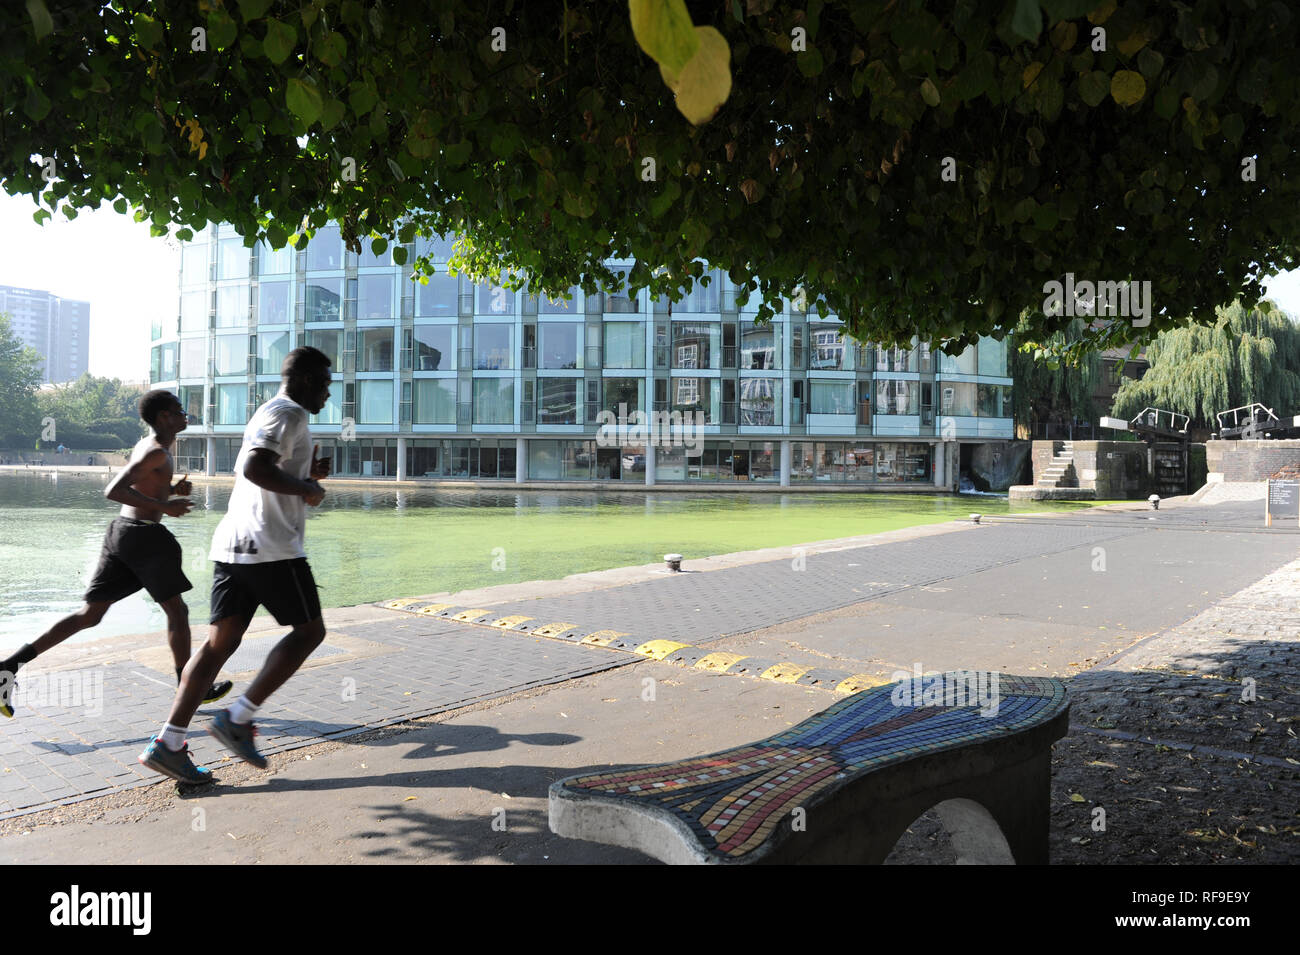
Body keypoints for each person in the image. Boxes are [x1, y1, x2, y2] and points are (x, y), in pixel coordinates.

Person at [138, 347, 332, 784]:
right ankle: (238, 718)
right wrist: (306, 488)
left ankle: (168, 745)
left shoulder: (270, 411)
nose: (327, 392)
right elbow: (255, 468)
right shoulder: (291, 414)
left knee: (216, 646)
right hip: (272, 546)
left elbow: (268, 469)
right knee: (309, 632)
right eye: (323, 383)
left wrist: (306, 474)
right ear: (301, 380)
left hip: (232, 545)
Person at [0, 391, 232, 719]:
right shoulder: (153, 451)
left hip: (122, 534)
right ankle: (191, 688)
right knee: (177, 613)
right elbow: (113, 490)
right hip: (143, 539)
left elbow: (140, 489)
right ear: (164, 416)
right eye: (180, 411)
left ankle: (8, 668)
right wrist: (165, 506)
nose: (186, 416)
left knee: (90, 615)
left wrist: (169, 491)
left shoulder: (152, 446)